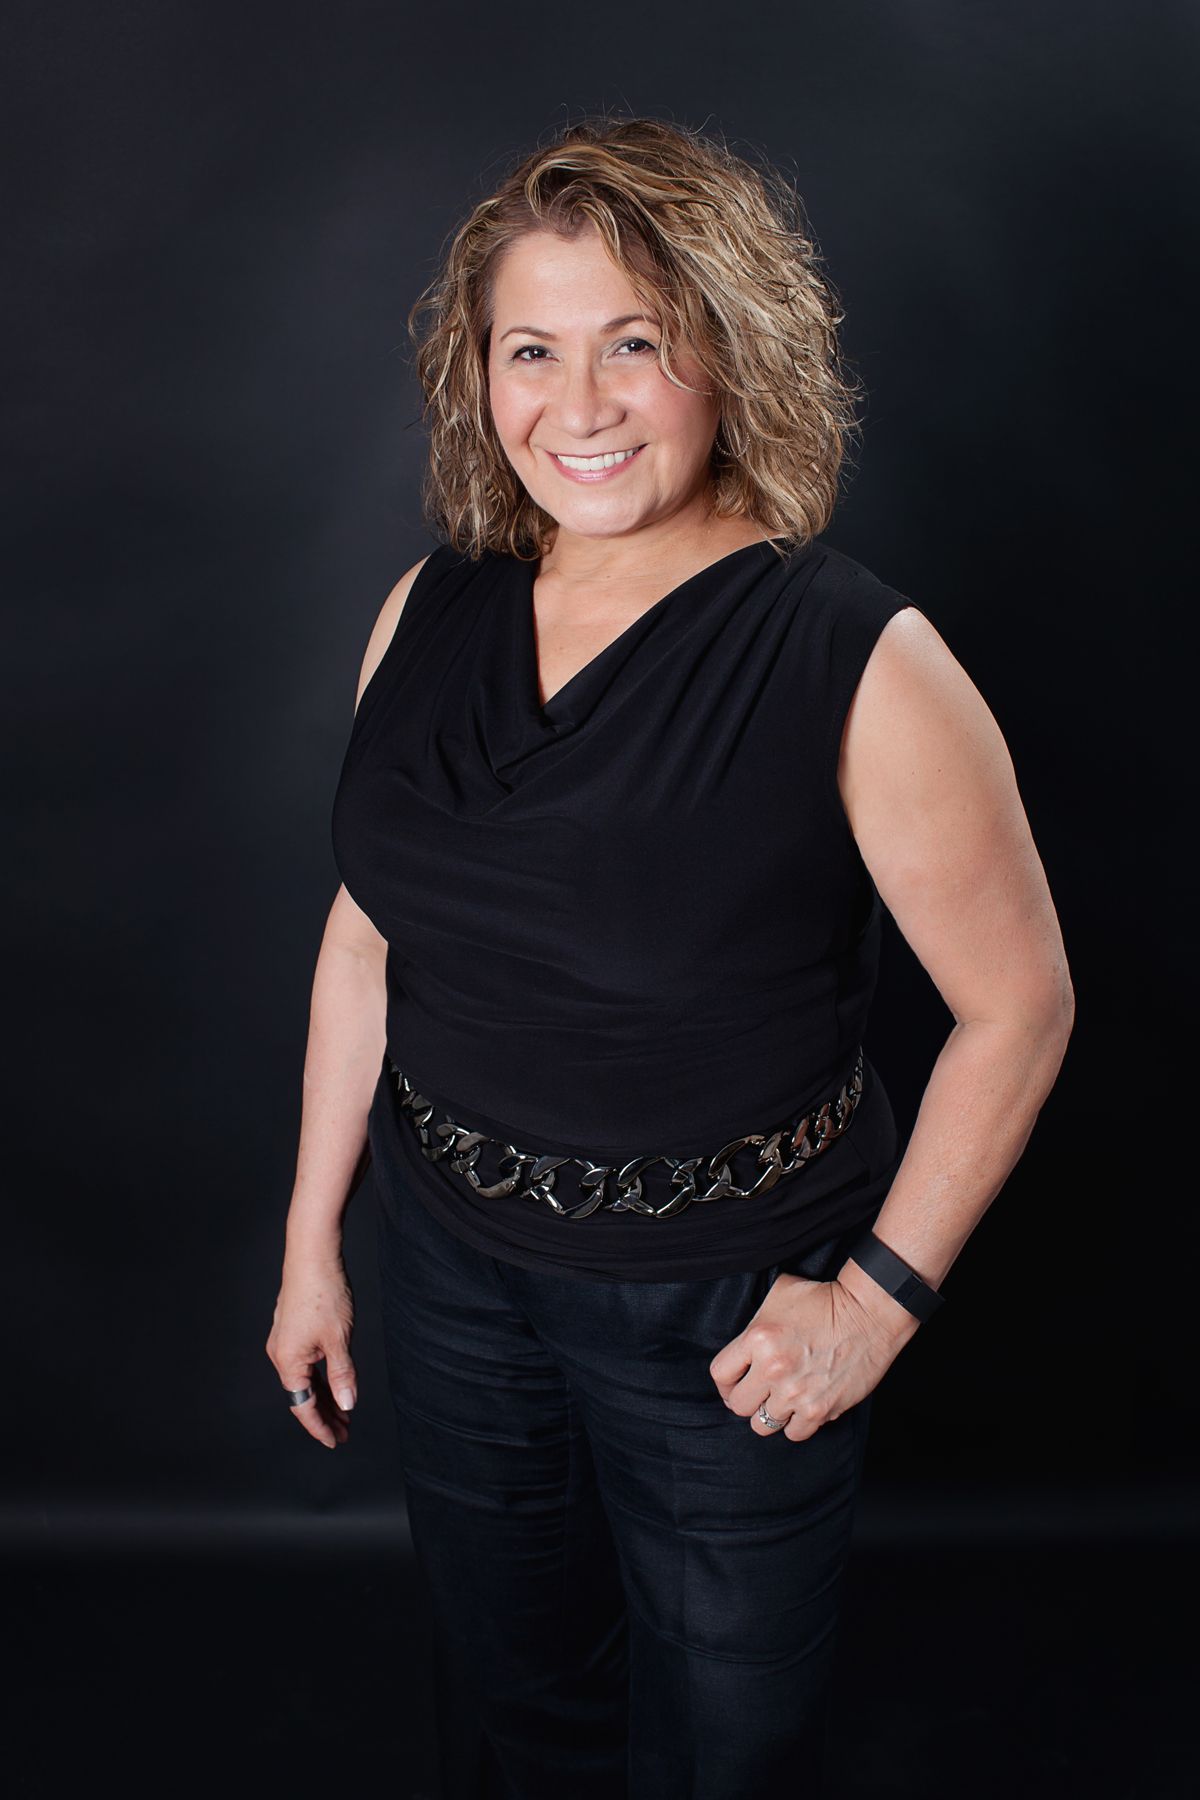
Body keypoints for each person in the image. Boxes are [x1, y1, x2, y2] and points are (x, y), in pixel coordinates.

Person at [266, 115, 1074, 1799]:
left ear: (728, 350)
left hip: (724, 1313)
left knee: (727, 1751)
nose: (582, 405)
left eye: (637, 343)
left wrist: (875, 1308)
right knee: (513, 1712)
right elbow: (369, 933)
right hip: (456, 1277)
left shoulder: (849, 651)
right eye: (533, 350)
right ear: (477, 375)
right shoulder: (429, 610)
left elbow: (1020, 1006)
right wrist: (311, 1247)